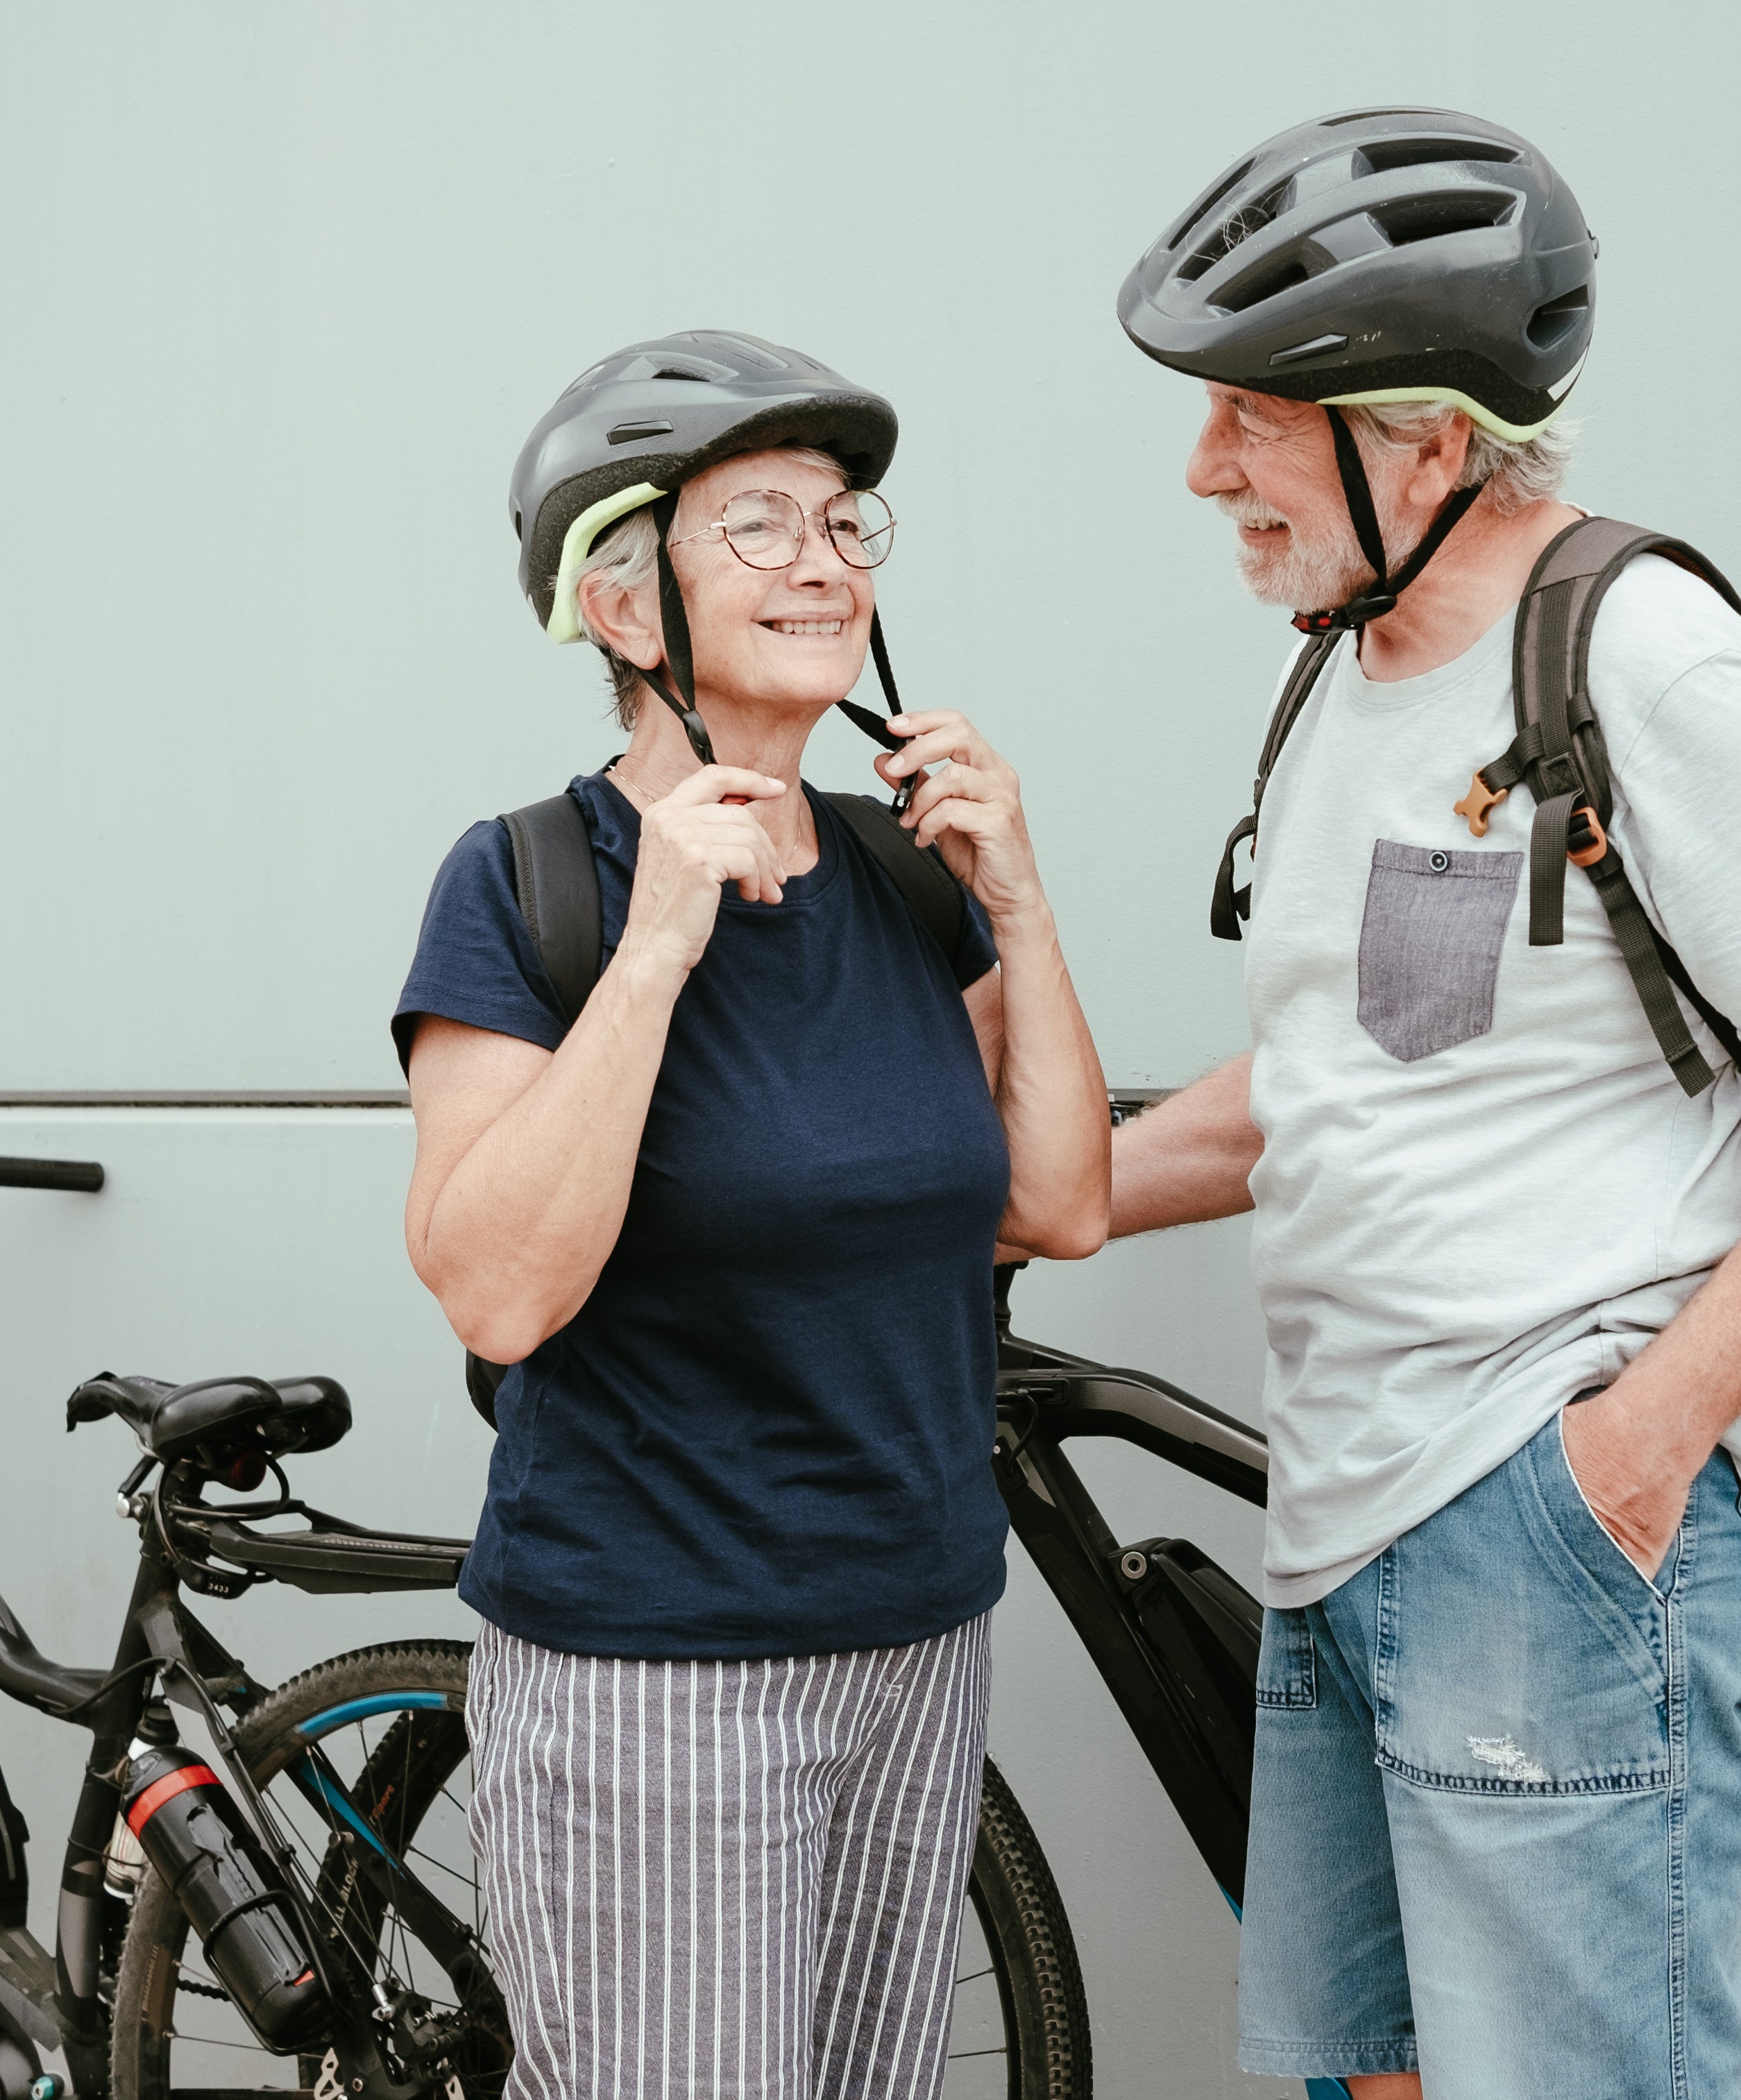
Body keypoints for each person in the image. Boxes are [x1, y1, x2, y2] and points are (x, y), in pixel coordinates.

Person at [1107, 113, 1741, 2097]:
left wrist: (1635, 1444)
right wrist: (1030, 1189)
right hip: (1350, 1508)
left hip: (1546, 1504)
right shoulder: (1355, 677)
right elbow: (1377, 1064)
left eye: (1253, 411)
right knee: (1380, 2075)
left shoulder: (1649, 662)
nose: (1203, 468)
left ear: (1419, 431)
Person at [391, 330, 1110, 2099]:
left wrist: (1016, 902)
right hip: (657, 1668)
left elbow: (1061, 1204)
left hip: (917, 1632)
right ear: (627, 607)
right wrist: (654, 944)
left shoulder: (891, 870)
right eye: (763, 523)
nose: (824, 561)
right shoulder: (521, 883)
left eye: (847, 524)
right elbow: (493, 1290)